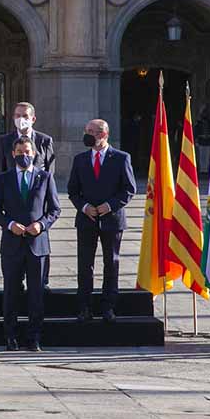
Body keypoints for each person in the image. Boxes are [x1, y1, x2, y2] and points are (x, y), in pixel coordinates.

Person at [0, 137, 60, 351]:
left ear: (34, 152)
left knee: (36, 293)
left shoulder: (45, 177)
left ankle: (34, 337)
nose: (24, 155)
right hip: (12, 244)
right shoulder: (4, 179)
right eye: (20, 151)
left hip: (37, 244)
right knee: (11, 292)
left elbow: (54, 209)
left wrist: (41, 225)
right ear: (13, 154)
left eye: (27, 151)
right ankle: (10, 336)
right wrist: (9, 224)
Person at [68, 118, 137, 324]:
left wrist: (110, 205)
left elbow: (129, 189)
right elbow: (72, 190)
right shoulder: (80, 159)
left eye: (92, 131)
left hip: (112, 220)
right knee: (85, 264)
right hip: (86, 218)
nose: (88, 134)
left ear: (104, 134)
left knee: (111, 263)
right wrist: (83, 207)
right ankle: (84, 307)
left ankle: (108, 307)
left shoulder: (121, 158)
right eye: (86, 130)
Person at [0, 101, 56, 287]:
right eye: (17, 115)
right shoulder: (5, 141)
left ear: (33, 119)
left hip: (37, 204)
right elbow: (2, 171)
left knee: (39, 246)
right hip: (15, 205)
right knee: (14, 249)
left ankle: (41, 282)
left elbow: (50, 172)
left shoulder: (44, 140)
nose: (21, 119)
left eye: (25, 116)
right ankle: (17, 280)